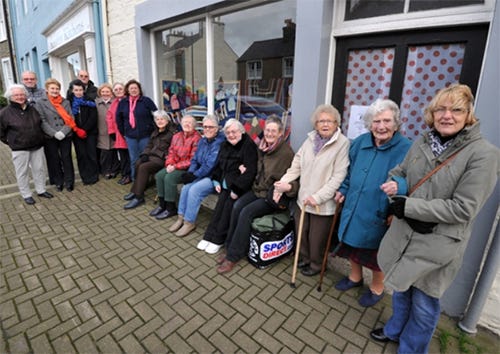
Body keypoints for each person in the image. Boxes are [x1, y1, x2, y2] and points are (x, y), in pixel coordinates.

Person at [370, 84, 499, 354]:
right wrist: (396, 185)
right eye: (440, 109)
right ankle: (395, 330)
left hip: (438, 244)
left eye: (456, 110)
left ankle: (412, 349)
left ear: (469, 114)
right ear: (432, 113)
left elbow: (464, 208)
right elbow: (400, 171)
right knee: (402, 290)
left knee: (425, 303)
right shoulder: (422, 141)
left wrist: (409, 206)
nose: (447, 115)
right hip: (405, 234)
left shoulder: (483, 154)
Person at [333, 99, 411, 307]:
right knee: (351, 246)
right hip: (354, 206)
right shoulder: (360, 143)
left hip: (381, 212)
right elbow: (349, 173)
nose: (381, 126)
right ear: (369, 123)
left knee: (377, 256)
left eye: (387, 121)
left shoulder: (407, 149)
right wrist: (342, 190)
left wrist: (398, 200)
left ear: (396, 123)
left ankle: (377, 287)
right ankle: (355, 278)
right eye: (376, 121)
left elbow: (412, 181)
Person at [274, 104, 349, 276]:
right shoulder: (310, 140)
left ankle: (316, 265)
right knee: (302, 234)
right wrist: (282, 183)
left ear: (336, 123)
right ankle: (305, 259)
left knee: (316, 239)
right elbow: (296, 166)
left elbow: (338, 177)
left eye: (329, 121)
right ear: (315, 125)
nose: (325, 124)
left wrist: (318, 197)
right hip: (303, 199)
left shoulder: (342, 144)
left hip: (322, 203)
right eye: (321, 121)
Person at [216, 115, 295, 273]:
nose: (270, 133)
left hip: (272, 196)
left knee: (246, 213)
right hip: (258, 189)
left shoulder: (286, 153)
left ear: (280, 133)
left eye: (273, 131)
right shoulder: (262, 147)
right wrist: (243, 168)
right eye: (267, 130)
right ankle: (230, 246)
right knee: (236, 205)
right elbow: (254, 167)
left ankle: (234, 256)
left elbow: (293, 178)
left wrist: (286, 187)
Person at [197, 119, 258, 254]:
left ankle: (218, 239)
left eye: (234, 132)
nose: (231, 135)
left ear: (241, 131)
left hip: (239, 186)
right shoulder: (225, 144)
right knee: (219, 209)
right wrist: (216, 181)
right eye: (228, 132)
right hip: (225, 183)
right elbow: (219, 165)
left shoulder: (248, 146)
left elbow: (250, 172)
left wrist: (237, 189)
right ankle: (208, 236)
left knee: (226, 210)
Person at [166, 114, 225, 237]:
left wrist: (194, 175)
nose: (207, 129)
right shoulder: (203, 141)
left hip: (213, 177)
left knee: (194, 190)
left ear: (217, 128)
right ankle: (180, 218)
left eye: (211, 127)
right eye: (205, 127)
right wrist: (190, 173)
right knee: (186, 187)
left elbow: (210, 165)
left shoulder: (219, 143)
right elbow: (195, 160)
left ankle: (189, 222)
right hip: (201, 173)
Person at [0, 84, 53, 205]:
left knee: (39, 169)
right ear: (10, 97)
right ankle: (26, 194)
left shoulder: (32, 109)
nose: (20, 97)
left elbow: (40, 123)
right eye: (16, 95)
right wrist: (11, 142)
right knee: (22, 172)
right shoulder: (4, 113)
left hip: (37, 145)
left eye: (22, 94)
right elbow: (1, 133)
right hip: (20, 148)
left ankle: (41, 190)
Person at [124, 110, 177, 209]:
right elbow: (149, 145)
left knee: (144, 167)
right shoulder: (156, 131)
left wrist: (157, 154)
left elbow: (172, 150)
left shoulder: (172, 133)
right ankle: (136, 190)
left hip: (162, 159)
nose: (160, 121)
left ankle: (139, 196)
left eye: (162, 119)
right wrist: (144, 154)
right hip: (152, 156)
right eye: (157, 119)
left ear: (167, 121)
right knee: (138, 163)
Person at [38, 78, 84, 192]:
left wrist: (63, 132)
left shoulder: (65, 102)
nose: (55, 90)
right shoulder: (40, 102)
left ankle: (69, 181)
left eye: (57, 88)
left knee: (66, 158)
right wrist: (54, 133)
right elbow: (42, 120)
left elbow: (71, 118)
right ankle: (58, 181)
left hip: (65, 135)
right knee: (55, 159)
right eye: (52, 88)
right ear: (47, 89)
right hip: (50, 136)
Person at [153, 115, 201, 219]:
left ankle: (171, 208)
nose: (187, 124)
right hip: (174, 165)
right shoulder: (177, 136)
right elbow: (171, 152)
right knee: (159, 175)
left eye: (190, 123)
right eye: (185, 122)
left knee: (169, 178)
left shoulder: (197, 138)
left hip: (188, 169)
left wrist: (175, 166)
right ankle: (162, 205)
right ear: (181, 124)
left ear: (194, 125)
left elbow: (192, 160)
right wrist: (170, 163)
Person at [116, 79, 158, 181]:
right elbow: (119, 119)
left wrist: (153, 130)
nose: (134, 90)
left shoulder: (146, 101)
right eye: (131, 88)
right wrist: (124, 133)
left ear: (139, 89)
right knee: (134, 159)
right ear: (128, 90)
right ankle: (136, 180)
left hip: (146, 136)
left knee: (145, 158)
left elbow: (156, 115)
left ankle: (146, 180)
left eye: (136, 88)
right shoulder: (123, 103)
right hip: (130, 137)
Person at [67, 79, 99, 185]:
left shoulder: (90, 100)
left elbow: (93, 117)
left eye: (80, 90)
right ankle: (85, 177)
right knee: (81, 155)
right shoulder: (69, 103)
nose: (79, 92)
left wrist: (85, 129)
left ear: (84, 90)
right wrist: (77, 129)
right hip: (76, 133)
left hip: (90, 132)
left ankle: (94, 175)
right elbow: (68, 117)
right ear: (72, 90)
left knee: (91, 154)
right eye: (76, 90)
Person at [107, 82, 131, 185]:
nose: (118, 91)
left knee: (130, 156)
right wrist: (111, 131)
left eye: (120, 89)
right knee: (123, 156)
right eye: (116, 90)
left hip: (128, 133)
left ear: (124, 89)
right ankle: (125, 174)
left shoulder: (129, 101)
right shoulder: (114, 104)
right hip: (118, 135)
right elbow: (109, 118)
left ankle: (130, 175)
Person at [96, 83, 119, 179]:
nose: (105, 93)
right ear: (100, 93)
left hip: (114, 131)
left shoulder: (115, 102)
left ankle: (114, 170)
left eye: (107, 91)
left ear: (111, 93)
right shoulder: (96, 103)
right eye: (103, 92)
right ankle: (106, 171)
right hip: (101, 131)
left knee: (114, 152)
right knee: (105, 153)